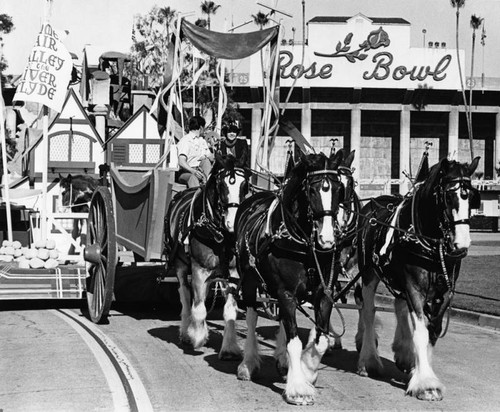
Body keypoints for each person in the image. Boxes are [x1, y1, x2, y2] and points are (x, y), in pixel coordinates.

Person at [177, 116, 214, 188]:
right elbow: (181, 161)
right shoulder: (185, 140)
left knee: (206, 161)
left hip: (201, 171)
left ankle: (209, 190)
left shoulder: (202, 141)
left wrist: (213, 145)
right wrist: (193, 171)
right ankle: (198, 197)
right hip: (187, 172)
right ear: (201, 128)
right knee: (193, 178)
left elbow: (212, 158)